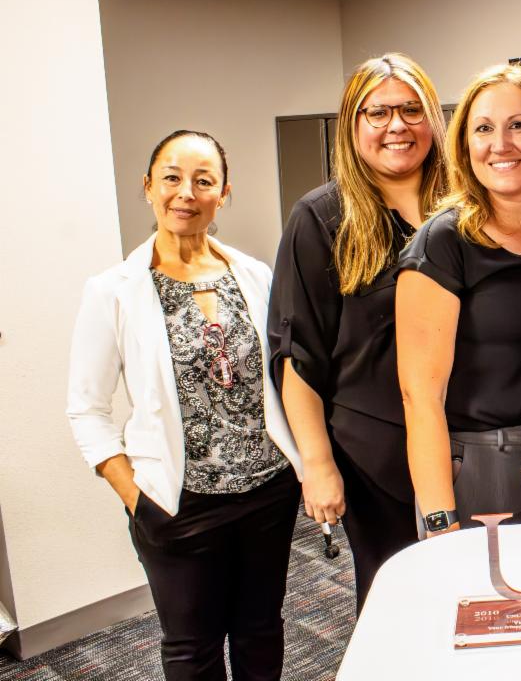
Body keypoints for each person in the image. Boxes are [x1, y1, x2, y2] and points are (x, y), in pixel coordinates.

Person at [67, 130, 302, 680]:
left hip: (267, 492)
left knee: (261, 629)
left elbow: (279, 376)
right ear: (148, 187)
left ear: (224, 193)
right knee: (191, 648)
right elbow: (86, 409)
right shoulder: (115, 290)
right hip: (178, 501)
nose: (186, 193)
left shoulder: (254, 275)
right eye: (171, 177)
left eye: (203, 180)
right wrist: (136, 497)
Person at [268, 53, 447, 611]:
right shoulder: (321, 217)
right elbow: (300, 354)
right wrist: (317, 467)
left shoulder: (466, 204)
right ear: (353, 124)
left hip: (467, 442)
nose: (397, 126)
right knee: (399, 598)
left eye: (412, 110)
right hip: (377, 456)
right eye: (379, 113)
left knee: (473, 589)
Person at [396, 65, 521, 536]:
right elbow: (421, 397)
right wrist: (439, 519)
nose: (501, 143)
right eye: (483, 129)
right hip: (483, 469)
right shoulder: (445, 241)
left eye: (518, 125)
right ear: (466, 147)